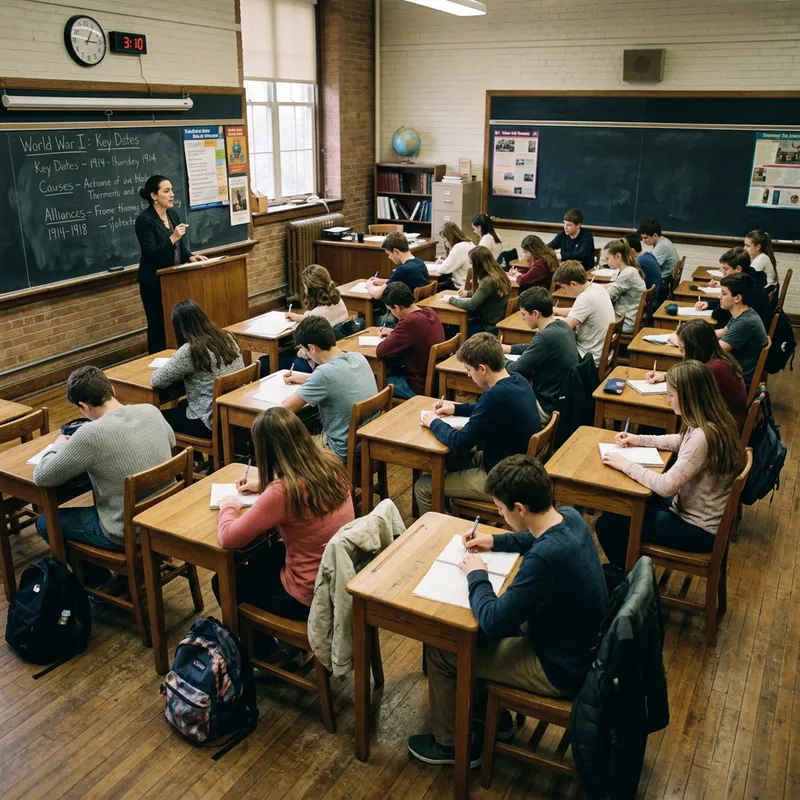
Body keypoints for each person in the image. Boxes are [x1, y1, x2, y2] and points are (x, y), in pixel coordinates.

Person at [407, 455, 610, 766]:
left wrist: (477, 574)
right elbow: (532, 536)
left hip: (559, 667)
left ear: (520, 509)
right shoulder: (570, 517)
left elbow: (493, 621)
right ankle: (491, 719)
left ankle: (452, 745)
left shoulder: (544, 560)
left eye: (501, 510)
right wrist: (494, 540)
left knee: (444, 647)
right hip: (578, 645)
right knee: (474, 636)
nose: (499, 515)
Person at [215, 407, 354, 638]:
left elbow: (228, 537)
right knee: (261, 555)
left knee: (223, 581)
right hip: (336, 578)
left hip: (307, 595)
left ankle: (265, 654)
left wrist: (228, 506)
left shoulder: (283, 491)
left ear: (266, 451)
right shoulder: (329, 462)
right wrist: (264, 485)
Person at [32, 366, 175, 586]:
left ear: (84, 406)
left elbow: (42, 476)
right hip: (164, 515)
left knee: (45, 522)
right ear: (112, 389)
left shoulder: (89, 434)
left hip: (124, 530)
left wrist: (56, 447)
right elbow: (172, 442)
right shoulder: (150, 410)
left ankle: (99, 582)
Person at [595, 360, 742, 569]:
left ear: (688, 398)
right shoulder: (714, 420)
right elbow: (680, 440)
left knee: (608, 526)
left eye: (671, 395)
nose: (668, 399)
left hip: (696, 528)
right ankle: (633, 572)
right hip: (694, 511)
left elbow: (666, 487)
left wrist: (625, 464)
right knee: (620, 509)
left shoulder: (703, 437)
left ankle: (631, 581)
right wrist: (640, 439)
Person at [415, 334, 540, 515]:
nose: (468, 374)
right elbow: (485, 409)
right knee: (452, 460)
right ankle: (452, 513)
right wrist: (456, 409)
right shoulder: (518, 379)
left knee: (424, 486)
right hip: (514, 465)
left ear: (482, 369)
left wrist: (433, 422)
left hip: (501, 479)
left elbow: (460, 441)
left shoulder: (494, 396)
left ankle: (438, 531)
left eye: (468, 370)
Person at [282, 316, 377, 462]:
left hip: (338, 450)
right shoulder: (358, 357)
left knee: (285, 446)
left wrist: (312, 379)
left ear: (312, 348)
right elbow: (338, 380)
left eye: (303, 349)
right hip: (365, 443)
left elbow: (285, 408)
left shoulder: (324, 374)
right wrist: (305, 377)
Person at [135, 175, 208, 353]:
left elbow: (179, 248)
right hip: (154, 282)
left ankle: (178, 358)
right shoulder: (144, 220)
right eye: (166, 191)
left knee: (177, 323)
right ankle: (157, 362)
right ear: (154, 196)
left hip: (175, 279)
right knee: (158, 325)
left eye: (172, 190)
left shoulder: (172, 214)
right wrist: (172, 237)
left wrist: (190, 256)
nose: (172, 194)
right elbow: (150, 253)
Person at [151, 299, 244, 437]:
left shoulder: (191, 350)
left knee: (156, 417)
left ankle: (183, 457)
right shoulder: (227, 336)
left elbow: (156, 380)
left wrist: (175, 359)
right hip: (234, 412)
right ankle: (194, 457)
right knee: (182, 404)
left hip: (210, 421)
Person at [646, 319, 747, 431]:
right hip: (722, 419)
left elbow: (687, 399)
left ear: (696, 348)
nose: (680, 351)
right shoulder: (717, 358)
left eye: (682, 348)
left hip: (723, 427)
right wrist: (664, 376)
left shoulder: (713, 369)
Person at [502, 287, 580, 425]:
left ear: (535, 313)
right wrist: (509, 349)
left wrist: (496, 357)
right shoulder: (562, 325)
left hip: (545, 407)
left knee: (497, 398)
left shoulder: (544, 337)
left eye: (524, 314)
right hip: (563, 400)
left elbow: (516, 368)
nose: (522, 318)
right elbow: (534, 348)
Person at [375, 282, 445, 399]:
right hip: (435, 382)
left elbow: (381, 351)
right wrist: (394, 332)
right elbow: (417, 335)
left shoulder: (408, 322)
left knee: (375, 379)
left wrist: (395, 333)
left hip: (415, 386)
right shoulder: (429, 312)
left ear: (396, 308)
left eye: (390, 310)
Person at [285, 264, 350, 373]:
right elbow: (321, 315)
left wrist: (298, 350)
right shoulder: (338, 301)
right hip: (336, 351)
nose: (304, 291)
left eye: (304, 287)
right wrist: (300, 317)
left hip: (316, 362)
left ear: (311, 290)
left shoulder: (318, 314)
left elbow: (307, 353)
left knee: (269, 361)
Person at [552, 260, 615, 369]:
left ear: (573, 284)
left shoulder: (585, 298)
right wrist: (556, 310)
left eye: (564, 287)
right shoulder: (596, 288)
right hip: (602, 351)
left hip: (589, 357)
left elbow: (564, 328)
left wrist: (550, 319)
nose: (564, 291)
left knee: (549, 353)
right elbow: (577, 311)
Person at [694, 248, 774, 331]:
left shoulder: (747, 289)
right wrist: (709, 304)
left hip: (747, 335)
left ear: (738, 269)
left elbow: (718, 314)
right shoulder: (749, 280)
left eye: (725, 269)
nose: (722, 272)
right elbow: (730, 300)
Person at [716, 274, 769, 388]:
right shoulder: (744, 313)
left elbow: (715, 349)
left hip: (739, 381)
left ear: (737, 298)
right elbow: (722, 332)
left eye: (724, 293)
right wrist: (691, 334)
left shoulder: (745, 322)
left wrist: (685, 340)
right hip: (735, 371)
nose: (719, 297)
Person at [447, 246, 513, 336]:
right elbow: (488, 292)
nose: (471, 266)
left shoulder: (487, 281)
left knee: (450, 331)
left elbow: (471, 305)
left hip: (488, 329)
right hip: (496, 323)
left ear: (478, 264)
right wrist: (468, 293)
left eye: (471, 263)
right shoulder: (499, 274)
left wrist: (451, 300)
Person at [366, 232, 430, 300]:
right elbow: (400, 280)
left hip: (405, 309)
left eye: (389, 254)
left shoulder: (403, 270)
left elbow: (377, 294)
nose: (389, 257)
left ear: (395, 252)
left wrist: (369, 285)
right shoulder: (420, 262)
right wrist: (380, 281)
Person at [602, 239, 646, 334]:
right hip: (628, 317)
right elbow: (614, 285)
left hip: (625, 322)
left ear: (618, 256)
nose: (606, 262)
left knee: (590, 320)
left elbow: (606, 296)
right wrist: (592, 286)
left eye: (607, 258)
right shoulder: (629, 270)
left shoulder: (628, 274)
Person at [637, 219, 679, 304]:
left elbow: (650, 267)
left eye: (645, 238)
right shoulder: (663, 241)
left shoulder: (662, 247)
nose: (643, 241)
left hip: (663, 283)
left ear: (655, 235)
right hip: (665, 280)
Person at [436, 222, 475, 291]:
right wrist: (444, 261)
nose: (444, 241)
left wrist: (440, 264)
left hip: (460, 287)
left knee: (434, 287)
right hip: (470, 285)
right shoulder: (469, 243)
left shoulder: (458, 247)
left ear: (449, 237)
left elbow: (442, 270)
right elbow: (458, 262)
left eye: (444, 239)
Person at [624, 232, 662, 301]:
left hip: (650, 301)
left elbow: (625, 282)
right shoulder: (648, 255)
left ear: (632, 251)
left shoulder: (639, 262)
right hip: (656, 296)